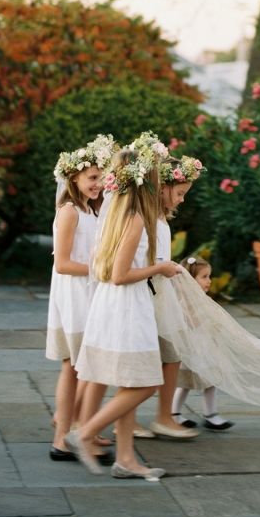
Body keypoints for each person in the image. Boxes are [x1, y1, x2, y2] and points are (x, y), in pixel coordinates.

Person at [66, 142, 183, 480]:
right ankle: (84, 433)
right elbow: (120, 275)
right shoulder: (134, 220)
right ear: (146, 184)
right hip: (128, 308)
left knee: (128, 384)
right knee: (146, 384)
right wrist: (160, 269)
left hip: (114, 307)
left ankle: (126, 459)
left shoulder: (115, 214)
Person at [46, 134, 115, 464]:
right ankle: (61, 439)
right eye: (92, 178)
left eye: (102, 178)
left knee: (83, 368)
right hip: (75, 298)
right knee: (72, 368)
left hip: (91, 295)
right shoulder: (70, 211)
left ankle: (75, 425)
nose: (98, 184)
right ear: (74, 177)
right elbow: (62, 263)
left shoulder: (92, 211)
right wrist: (98, 269)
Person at [147, 153, 205, 440]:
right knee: (156, 357)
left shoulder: (159, 218)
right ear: (163, 187)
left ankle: (164, 415)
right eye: (180, 193)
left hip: (162, 292)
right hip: (152, 294)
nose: (182, 200)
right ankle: (150, 417)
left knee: (171, 355)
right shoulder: (147, 218)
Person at [172, 255, 235, 431]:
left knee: (211, 380)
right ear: (189, 280)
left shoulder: (202, 299)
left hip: (205, 348)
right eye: (204, 277)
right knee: (185, 384)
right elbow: (188, 323)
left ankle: (210, 413)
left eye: (209, 276)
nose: (209, 281)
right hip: (190, 350)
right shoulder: (183, 301)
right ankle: (174, 413)